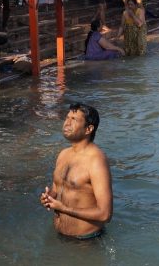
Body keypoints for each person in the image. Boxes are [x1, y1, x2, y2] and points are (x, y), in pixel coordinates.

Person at [40, 103, 113, 240]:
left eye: (74, 120)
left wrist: (63, 208)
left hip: (86, 242)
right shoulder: (63, 154)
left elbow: (105, 214)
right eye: (67, 118)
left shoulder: (96, 161)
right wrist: (49, 196)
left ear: (88, 129)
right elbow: (57, 187)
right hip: (59, 236)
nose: (67, 123)